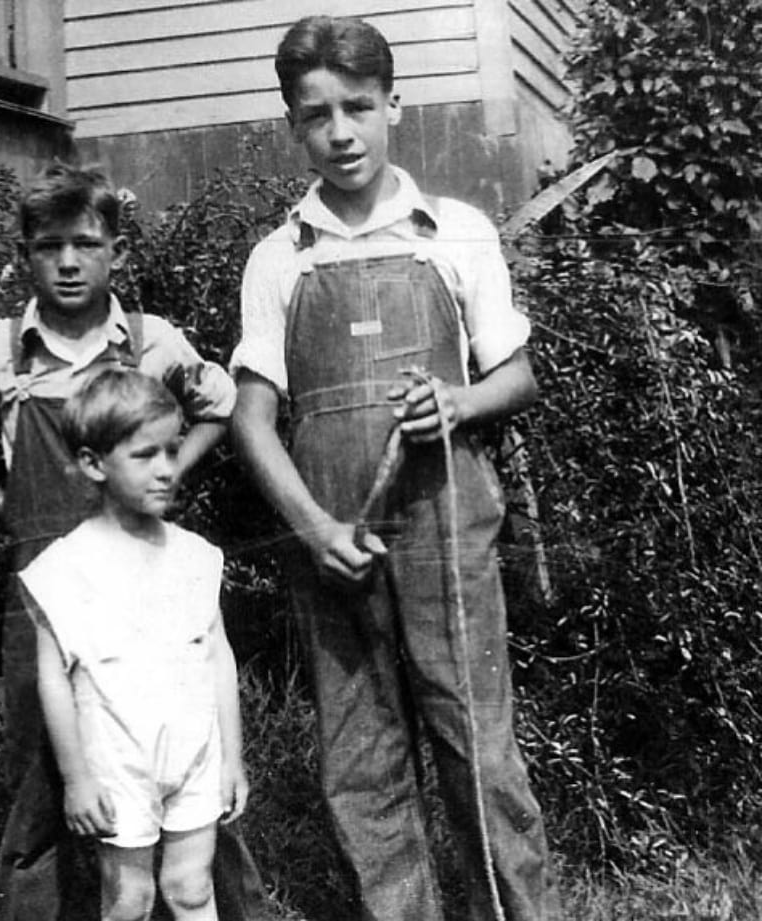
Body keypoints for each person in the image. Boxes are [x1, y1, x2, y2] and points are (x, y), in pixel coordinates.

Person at [230, 15, 560, 921]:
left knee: (475, 738)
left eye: (359, 107)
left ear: (394, 107)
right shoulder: (278, 257)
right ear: (292, 124)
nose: (340, 132)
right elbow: (252, 419)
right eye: (316, 114)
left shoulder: (454, 232)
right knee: (361, 751)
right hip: (333, 533)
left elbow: (518, 375)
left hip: (447, 517)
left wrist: (456, 403)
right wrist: (312, 527)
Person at [0, 162, 267, 921]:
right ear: (26, 253)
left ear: (117, 252)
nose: (68, 262)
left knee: (177, 755)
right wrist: (3, 501)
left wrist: (166, 475)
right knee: (45, 766)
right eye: (48, 246)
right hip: (43, 589)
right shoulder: (0, 349)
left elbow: (221, 406)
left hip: (142, 580)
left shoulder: (151, 342)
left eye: (85, 243)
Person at [18, 368, 248, 921]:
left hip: (193, 753)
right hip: (117, 760)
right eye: (145, 456)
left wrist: (231, 758)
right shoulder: (64, 569)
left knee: (193, 888)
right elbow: (53, 680)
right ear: (94, 463)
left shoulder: (195, 557)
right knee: (129, 899)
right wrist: (76, 779)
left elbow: (218, 657)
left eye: (172, 450)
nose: (167, 469)